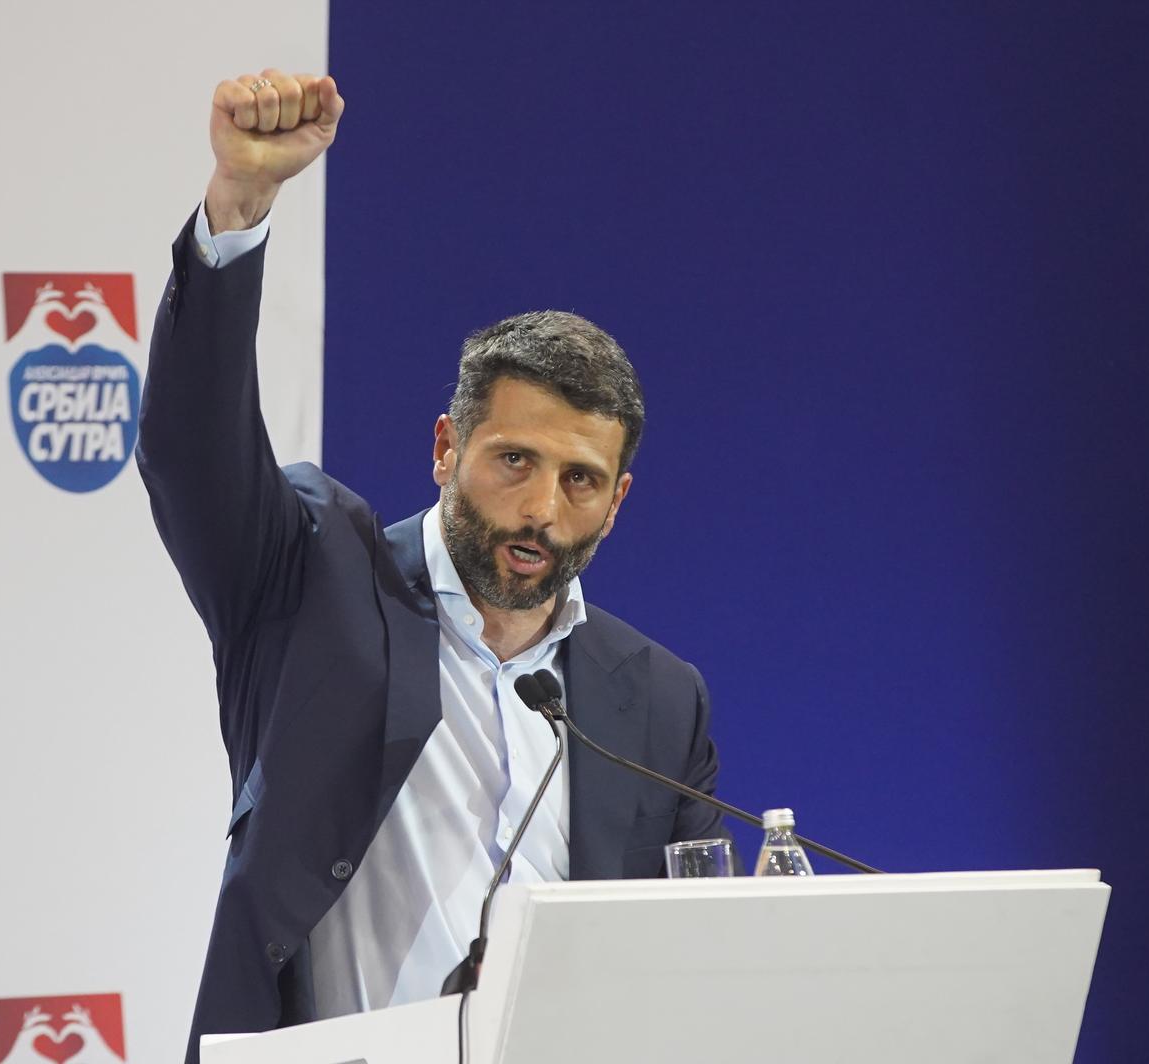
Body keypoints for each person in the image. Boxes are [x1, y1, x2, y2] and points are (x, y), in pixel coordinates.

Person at [137, 68, 728, 1064]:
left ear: (618, 499)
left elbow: (689, 960)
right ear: (447, 447)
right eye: (513, 461)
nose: (542, 508)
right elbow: (192, 449)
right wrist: (239, 205)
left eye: (580, 479)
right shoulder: (312, 577)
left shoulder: (659, 703)